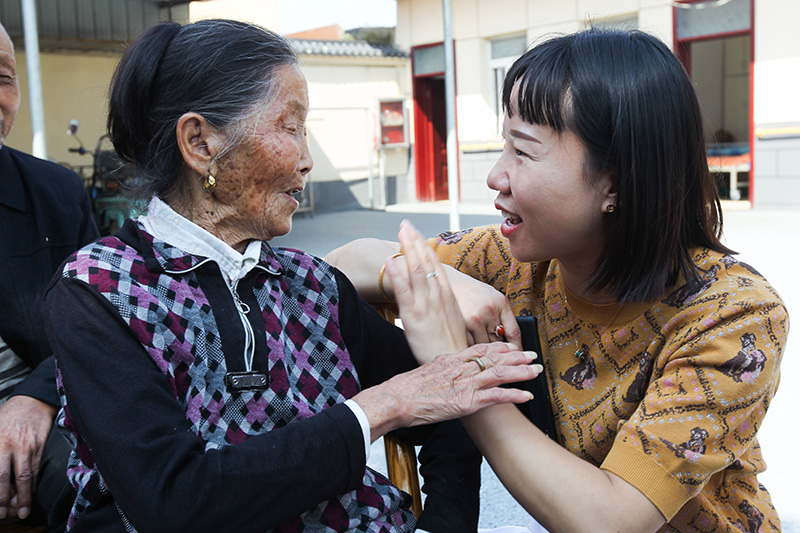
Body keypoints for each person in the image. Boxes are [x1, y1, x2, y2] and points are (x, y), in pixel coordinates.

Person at [42, 19, 540, 532]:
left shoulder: (312, 286)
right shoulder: (98, 294)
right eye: (290, 126)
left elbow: (449, 400)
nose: (306, 161)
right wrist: (384, 405)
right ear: (200, 143)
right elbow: (175, 502)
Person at [327, 29, 788, 532]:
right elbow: (341, 264)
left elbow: (610, 521)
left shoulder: (735, 315)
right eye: (504, 146)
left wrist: (456, 372)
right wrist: (435, 275)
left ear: (614, 181)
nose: (495, 176)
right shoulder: (518, 258)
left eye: (523, 153)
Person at [0, 21, 99, 531]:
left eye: (2, 77)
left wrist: (35, 396)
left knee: (100, 487)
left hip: (43, 409)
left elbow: (92, 320)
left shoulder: (55, 193)